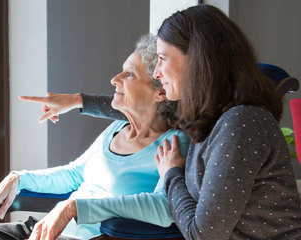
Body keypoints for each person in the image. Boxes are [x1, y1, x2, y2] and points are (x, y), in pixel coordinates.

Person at [25, 4, 301, 240]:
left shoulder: (240, 124)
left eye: (162, 58)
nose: (157, 71)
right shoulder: (208, 118)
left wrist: (171, 174)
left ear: (198, 61)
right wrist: (77, 101)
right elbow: (144, 108)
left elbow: (203, 234)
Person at [0, 34, 190, 240]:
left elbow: (162, 206)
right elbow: (73, 174)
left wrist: (75, 208)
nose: (115, 80)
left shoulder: (173, 143)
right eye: (121, 72)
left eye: (130, 74)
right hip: (44, 230)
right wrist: (19, 177)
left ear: (160, 92)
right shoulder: (115, 128)